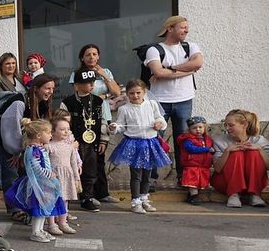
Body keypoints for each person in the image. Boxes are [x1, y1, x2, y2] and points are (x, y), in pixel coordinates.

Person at [143, 16, 205, 171]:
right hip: (159, 101)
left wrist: (170, 68)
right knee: (155, 139)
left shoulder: (191, 46)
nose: (187, 30)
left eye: (187, 27)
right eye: (183, 27)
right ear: (170, 28)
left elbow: (198, 63)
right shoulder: (154, 49)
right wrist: (188, 70)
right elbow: (158, 72)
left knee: (184, 141)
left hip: (184, 100)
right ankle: (151, 179)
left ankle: (183, 177)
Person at [108, 79, 171, 213]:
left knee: (147, 174)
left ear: (144, 92)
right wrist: (114, 127)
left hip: (150, 142)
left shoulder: (152, 104)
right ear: (127, 94)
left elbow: (160, 118)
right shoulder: (124, 109)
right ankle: (135, 201)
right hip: (133, 144)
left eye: (138, 93)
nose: (135, 96)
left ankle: (144, 198)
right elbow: (121, 126)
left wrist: (159, 123)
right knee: (136, 174)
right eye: (132, 93)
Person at [6, 118, 64, 243]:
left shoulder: (40, 148)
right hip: (37, 185)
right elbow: (36, 168)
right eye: (48, 132)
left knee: (44, 209)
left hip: (44, 184)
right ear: (38, 136)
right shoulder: (32, 150)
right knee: (38, 209)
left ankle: (40, 230)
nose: (51, 135)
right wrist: (49, 174)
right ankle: (35, 232)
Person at [62, 69, 110, 210]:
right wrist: (67, 140)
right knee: (71, 169)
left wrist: (103, 139)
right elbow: (63, 122)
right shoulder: (67, 102)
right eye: (87, 82)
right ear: (77, 85)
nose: (91, 85)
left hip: (92, 141)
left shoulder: (98, 101)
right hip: (74, 141)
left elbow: (103, 121)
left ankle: (87, 197)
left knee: (91, 169)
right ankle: (67, 197)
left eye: (92, 82)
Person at [212, 109, 269, 208]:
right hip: (226, 183)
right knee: (236, 153)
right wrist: (227, 151)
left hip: (255, 183)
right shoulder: (220, 141)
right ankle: (233, 194)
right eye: (225, 125)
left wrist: (260, 149)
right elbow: (217, 169)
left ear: (244, 125)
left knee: (253, 152)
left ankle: (255, 194)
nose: (227, 128)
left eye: (231, 125)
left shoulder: (259, 140)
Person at [45, 116, 82, 235]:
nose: (66, 132)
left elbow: (73, 163)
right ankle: (51, 224)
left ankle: (63, 222)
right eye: (62, 129)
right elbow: (45, 163)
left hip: (67, 177)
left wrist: (76, 178)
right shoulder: (48, 146)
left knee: (65, 200)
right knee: (52, 200)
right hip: (54, 177)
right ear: (53, 131)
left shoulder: (69, 147)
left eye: (68, 129)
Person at [177, 115, 217, 203]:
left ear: (205, 127)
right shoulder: (188, 140)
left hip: (203, 165)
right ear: (189, 129)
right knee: (192, 181)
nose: (198, 130)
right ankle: (194, 196)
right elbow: (191, 148)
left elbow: (212, 149)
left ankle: (192, 195)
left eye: (200, 127)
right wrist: (206, 149)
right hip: (192, 164)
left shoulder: (207, 139)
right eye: (194, 128)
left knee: (199, 181)